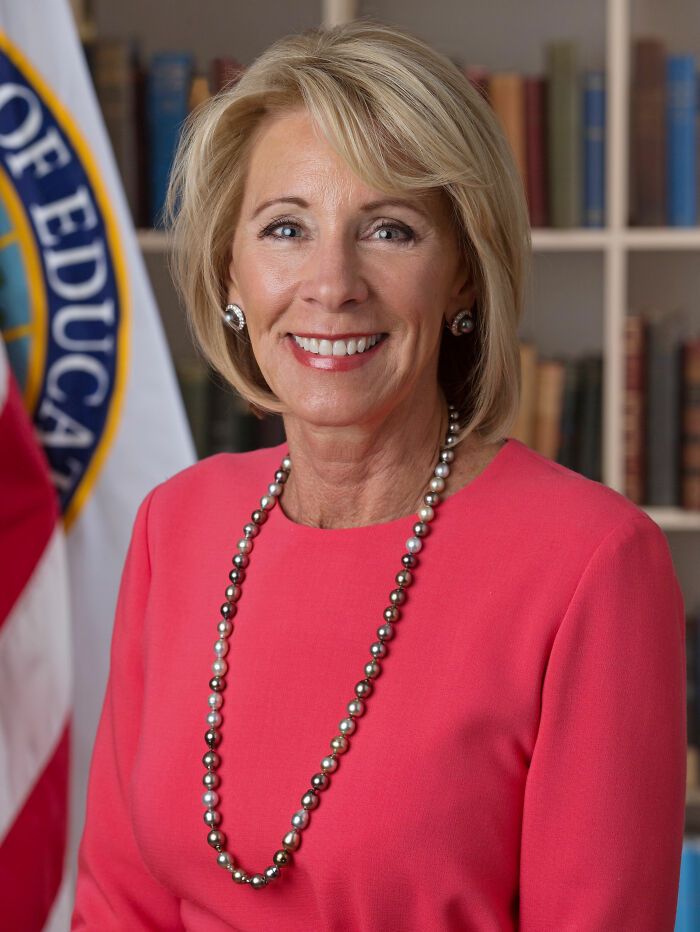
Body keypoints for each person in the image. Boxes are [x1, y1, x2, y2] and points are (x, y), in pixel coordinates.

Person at [70, 20, 686, 931]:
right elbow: (120, 902)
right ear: (229, 269)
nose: (332, 283)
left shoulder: (591, 563)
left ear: (465, 277)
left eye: (389, 230)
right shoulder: (178, 525)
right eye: (285, 227)